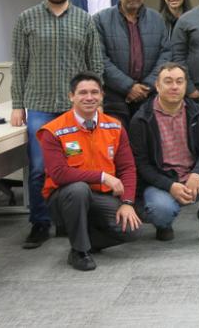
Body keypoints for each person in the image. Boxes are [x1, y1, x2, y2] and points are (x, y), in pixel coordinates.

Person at [11, 0, 104, 250]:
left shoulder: (84, 20)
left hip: (75, 110)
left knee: (75, 166)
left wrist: (96, 102)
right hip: (39, 106)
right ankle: (40, 221)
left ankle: (68, 219)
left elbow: (95, 64)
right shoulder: (26, 19)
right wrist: (17, 105)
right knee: (40, 168)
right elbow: (19, 65)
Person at [38, 72, 142, 271]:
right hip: (65, 197)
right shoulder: (53, 130)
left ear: (102, 95)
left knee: (133, 231)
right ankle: (79, 252)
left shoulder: (114, 126)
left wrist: (128, 202)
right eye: (82, 92)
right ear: (71, 96)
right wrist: (103, 177)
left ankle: (85, 238)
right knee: (78, 189)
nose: (89, 97)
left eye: (94, 92)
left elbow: (127, 167)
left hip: (100, 196)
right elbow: (59, 174)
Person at [130, 63, 199, 247]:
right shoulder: (141, 119)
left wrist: (198, 173)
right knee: (161, 210)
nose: (174, 86)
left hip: (193, 178)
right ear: (157, 86)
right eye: (168, 81)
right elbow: (141, 164)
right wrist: (170, 185)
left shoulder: (197, 111)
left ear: (185, 85)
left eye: (179, 82)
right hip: (162, 183)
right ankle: (164, 224)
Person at [94, 0, 171, 124]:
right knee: (117, 143)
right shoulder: (100, 19)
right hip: (114, 97)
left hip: (148, 96)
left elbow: (166, 55)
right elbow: (99, 58)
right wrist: (129, 87)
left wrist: (146, 86)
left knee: (146, 145)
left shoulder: (157, 19)